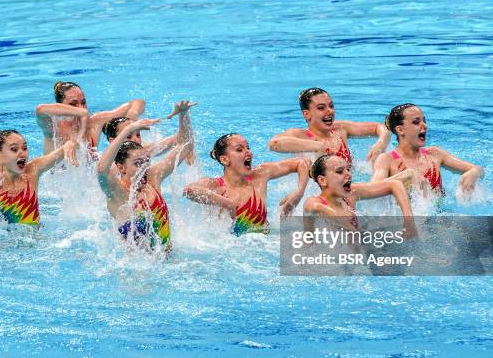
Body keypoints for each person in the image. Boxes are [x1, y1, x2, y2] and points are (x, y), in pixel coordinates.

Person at [96, 101, 195, 253]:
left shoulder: (153, 176)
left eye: (145, 162)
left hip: (168, 263)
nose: (143, 167)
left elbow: (186, 145)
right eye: (137, 163)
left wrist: (183, 114)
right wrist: (128, 128)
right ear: (122, 168)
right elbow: (102, 169)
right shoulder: (117, 191)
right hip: (137, 272)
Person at [183, 133, 311, 236]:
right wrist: (227, 203)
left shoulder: (260, 175)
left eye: (248, 148)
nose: (248, 152)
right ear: (224, 159)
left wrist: (299, 192)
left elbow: (302, 163)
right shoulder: (216, 184)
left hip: (265, 239)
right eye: (240, 150)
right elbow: (188, 191)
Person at [0, 130, 78, 226]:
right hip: (0, 248)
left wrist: (70, 144)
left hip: (36, 242)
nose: (22, 153)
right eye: (14, 149)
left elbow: (68, 147)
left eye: (24, 148)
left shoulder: (32, 171)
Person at [371, 103, 484, 196]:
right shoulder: (387, 159)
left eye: (424, 121)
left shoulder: (434, 154)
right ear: (400, 130)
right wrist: (407, 175)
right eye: (416, 122)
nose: (425, 125)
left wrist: (474, 172)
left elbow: (480, 171)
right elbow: (370, 190)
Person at [268, 87, 391, 163]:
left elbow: (382, 127)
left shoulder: (340, 129)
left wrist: (380, 143)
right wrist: (317, 146)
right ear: (307, 114)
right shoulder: (301, 135)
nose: (329, 111)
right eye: (321, 108)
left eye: (331, 106)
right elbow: (274, 144)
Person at [304, 154, 416, 234]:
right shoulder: (315, 202)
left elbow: (394, 184)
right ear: (323, 180)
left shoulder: (351, 193)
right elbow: (314, 207)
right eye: (339, 171)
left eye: (348, 169)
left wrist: (409, 222)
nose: (348, 174)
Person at [35, 81, 145, 155]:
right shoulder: (53, 128)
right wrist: (81, 112)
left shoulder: (95, 122)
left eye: (83, 103)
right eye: (73, 104)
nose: (81, 108)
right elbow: (40, 110)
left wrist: (132, 116)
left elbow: (137, 102)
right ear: (60, 106)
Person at [102, 116, 194, 164]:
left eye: (138, 135)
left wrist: (183, 114)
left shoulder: (145, 152)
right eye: (128, 136)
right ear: (112, 141)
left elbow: (181, 137)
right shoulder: (111, 165)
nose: (135, 139)